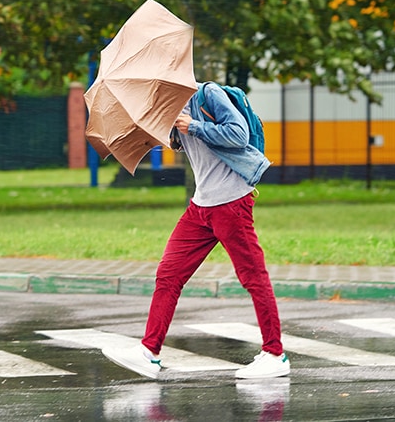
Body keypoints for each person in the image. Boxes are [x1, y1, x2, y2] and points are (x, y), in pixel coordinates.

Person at [102, 82, 289, 380]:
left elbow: (238, 134)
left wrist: (195, 126)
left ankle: (275, 354)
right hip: (201, 207)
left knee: (253, 276)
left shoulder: (208, 94)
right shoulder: (169, 107)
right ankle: (149, 352)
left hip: (231, 203)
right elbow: (184, 144)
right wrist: (165, 133)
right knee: (168, 274)